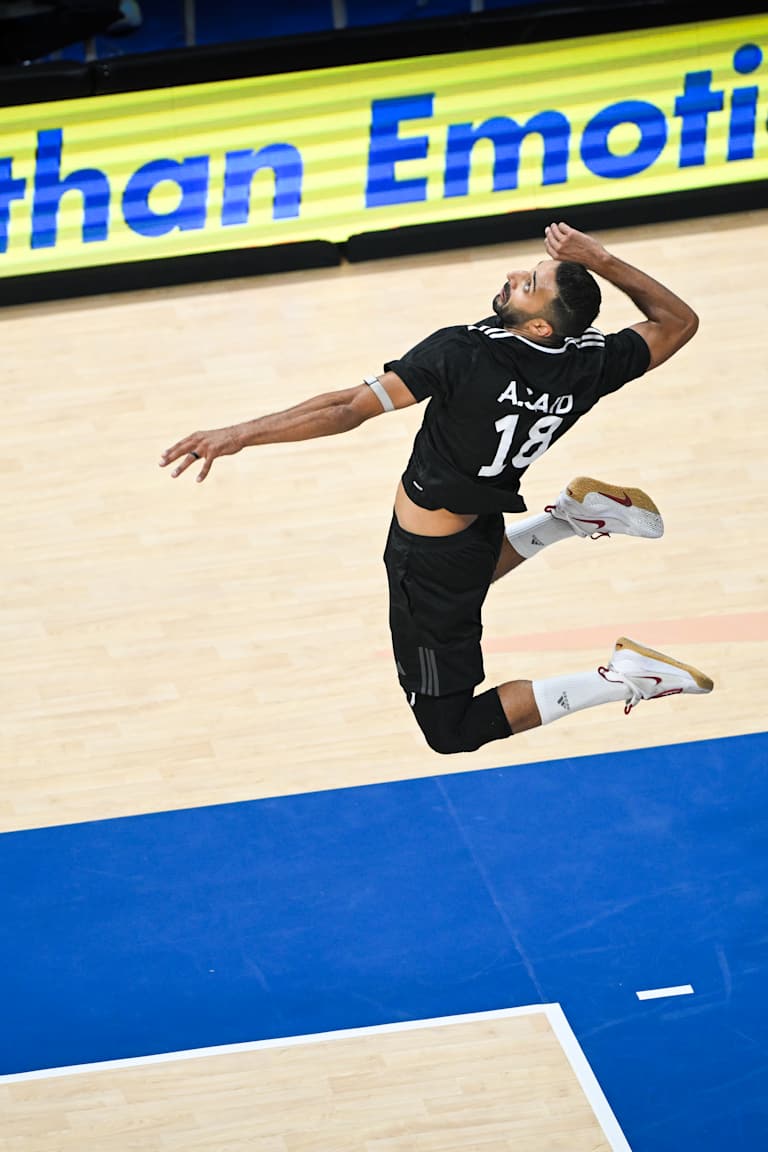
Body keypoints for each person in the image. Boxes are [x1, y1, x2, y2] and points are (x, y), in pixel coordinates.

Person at [159, 221, 713, 755]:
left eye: (529, 284)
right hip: (475, 522)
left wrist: (239, 434)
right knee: (471, 575)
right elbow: (677, 323)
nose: (515, 276)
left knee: (450, 729)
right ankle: (570, 519)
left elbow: (348, 408)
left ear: (541, 325)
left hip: (431, 554)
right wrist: (601, 261)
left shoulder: (463, 353)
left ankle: (623, 678)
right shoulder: (590, 361)